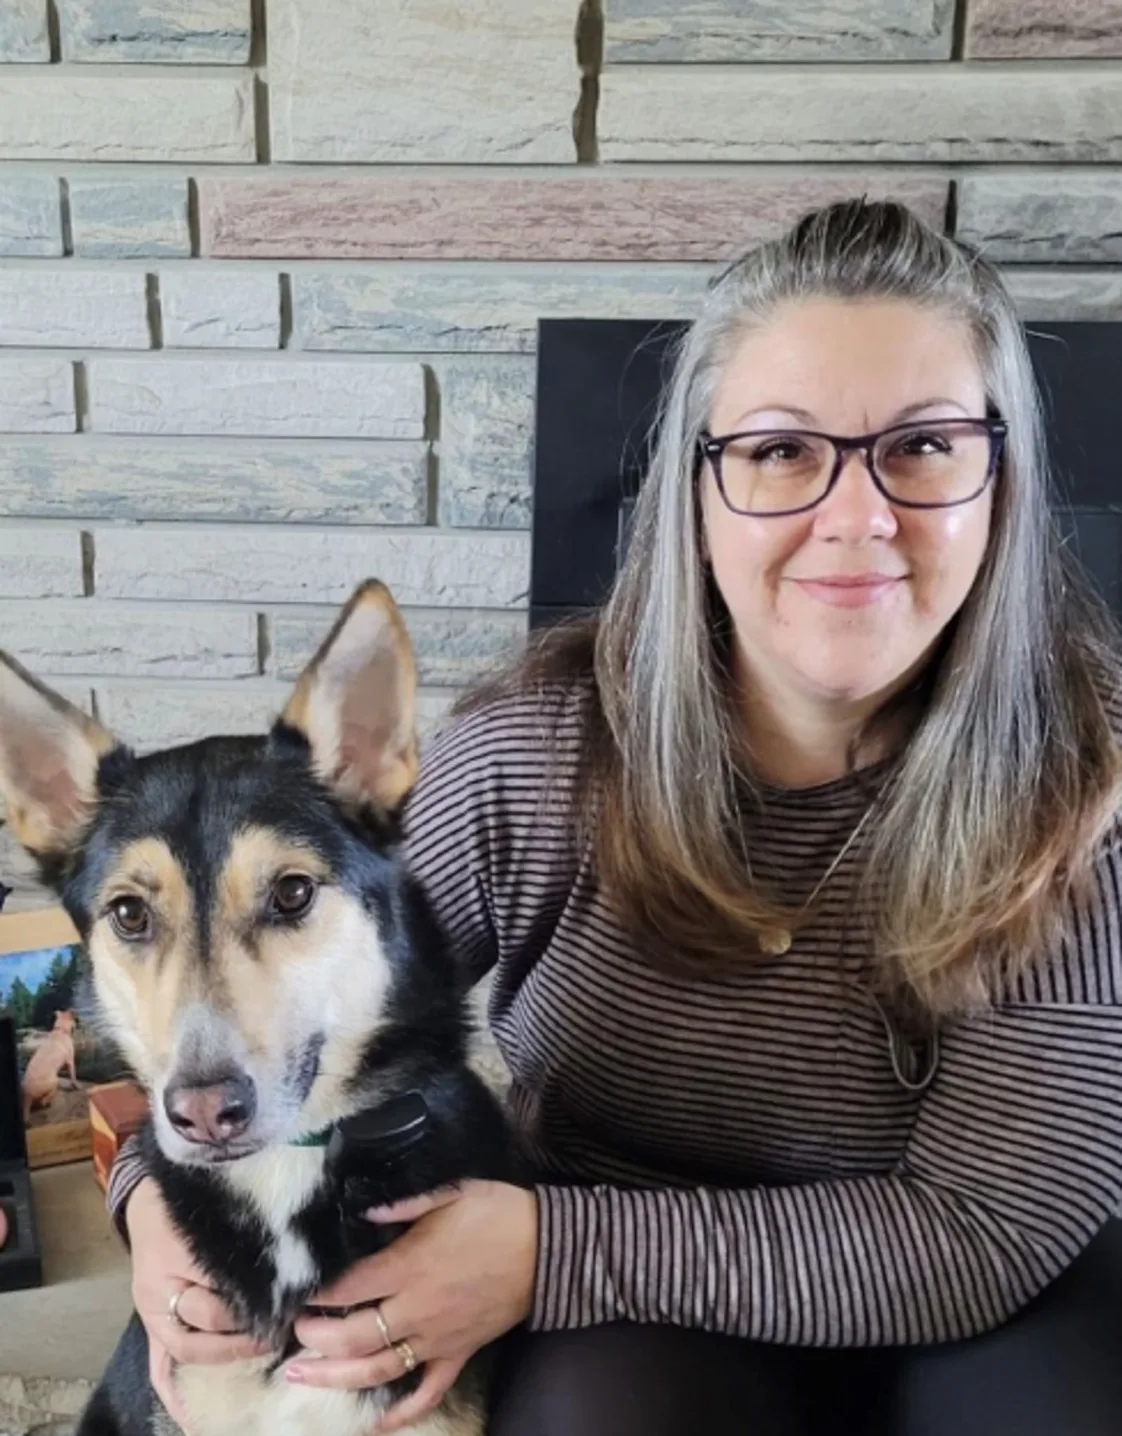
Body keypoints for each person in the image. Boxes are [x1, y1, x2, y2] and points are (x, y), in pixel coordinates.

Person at [106, 199, 1122, 1435]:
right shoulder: (532, 753)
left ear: (1000, 476)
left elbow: (989, 1223)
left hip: (969, 1284)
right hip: (626, 1282)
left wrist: (546, 1247)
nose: (855, 515)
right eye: (782, 451)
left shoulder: (1089, 784)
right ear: (699, 482)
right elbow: (273, 1001)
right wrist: (150, 1203)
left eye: (923, 445)